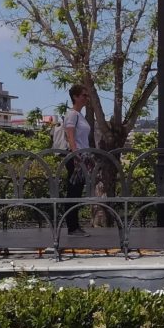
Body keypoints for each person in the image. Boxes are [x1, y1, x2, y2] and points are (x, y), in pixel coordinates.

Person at [59, 84, 94, 237]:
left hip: (82, 157)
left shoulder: (79, 115)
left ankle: (74, 226)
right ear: (75, 97)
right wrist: (76, 154)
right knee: (73, 191)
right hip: (76, 157)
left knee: (77, 191)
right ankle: (72, 227)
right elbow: (70, 135)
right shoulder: (72, 114)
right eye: (83, 95)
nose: (86, 98)